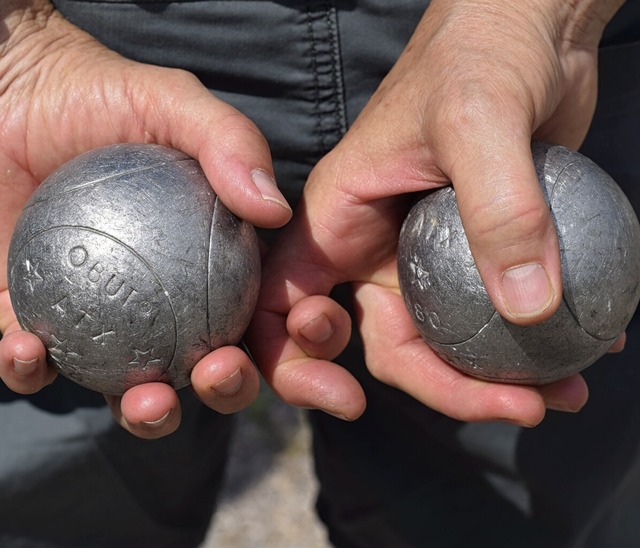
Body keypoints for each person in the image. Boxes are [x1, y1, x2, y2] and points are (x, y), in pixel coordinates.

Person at [0, 0, 638, 546]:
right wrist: (16, 50)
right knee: (58, 503)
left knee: (504, 518)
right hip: (95, 61)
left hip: (504, 62)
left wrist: (535, 17)